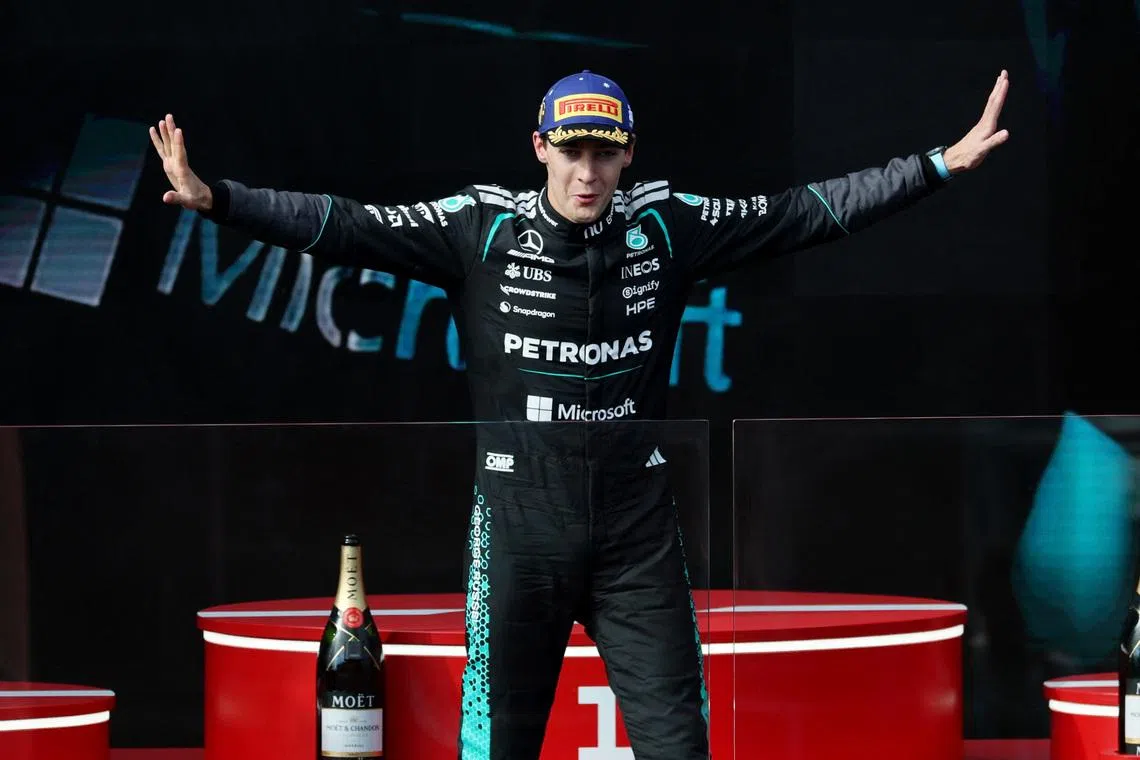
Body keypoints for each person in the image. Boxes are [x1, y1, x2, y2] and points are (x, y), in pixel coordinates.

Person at [149, 68, 1010, 760]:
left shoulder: (669, 226)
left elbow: (806, 214)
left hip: (638, 537)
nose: (588, 172)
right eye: (571, 152)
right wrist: (216, 196)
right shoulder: (477, 227)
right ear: (540, 148)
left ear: (629, 154)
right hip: (519, 533)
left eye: (604, 153)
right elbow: (342, 224)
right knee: (497, 746)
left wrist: (936, 166)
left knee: (678, 745)